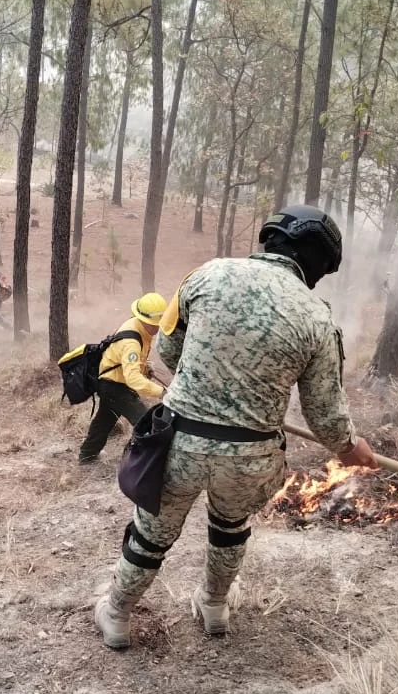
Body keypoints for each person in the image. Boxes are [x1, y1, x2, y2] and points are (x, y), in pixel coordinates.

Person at [94, 206, 379, 650]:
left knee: (150, 535)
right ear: (318, 261)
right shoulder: (318, 317)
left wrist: (210, 382)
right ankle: (214, 606)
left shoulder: (206, 275)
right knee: (230, 528)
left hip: (178, 444)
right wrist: (349, 446)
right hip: (251, 457)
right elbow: (323, 410)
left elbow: (169, 348)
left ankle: (116, 614)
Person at [77, 292, 167, 465]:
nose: (157, 328)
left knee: (104, 421)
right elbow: (133, 378)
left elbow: (128, 361)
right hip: (115, 386)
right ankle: (144, 462)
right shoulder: (131, 342)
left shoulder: (137, 326)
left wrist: (144, 367)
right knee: (145, 422)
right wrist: (161, 392)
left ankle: (87, 456)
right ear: (144, 319)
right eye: (154, 324)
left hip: (112, 382)